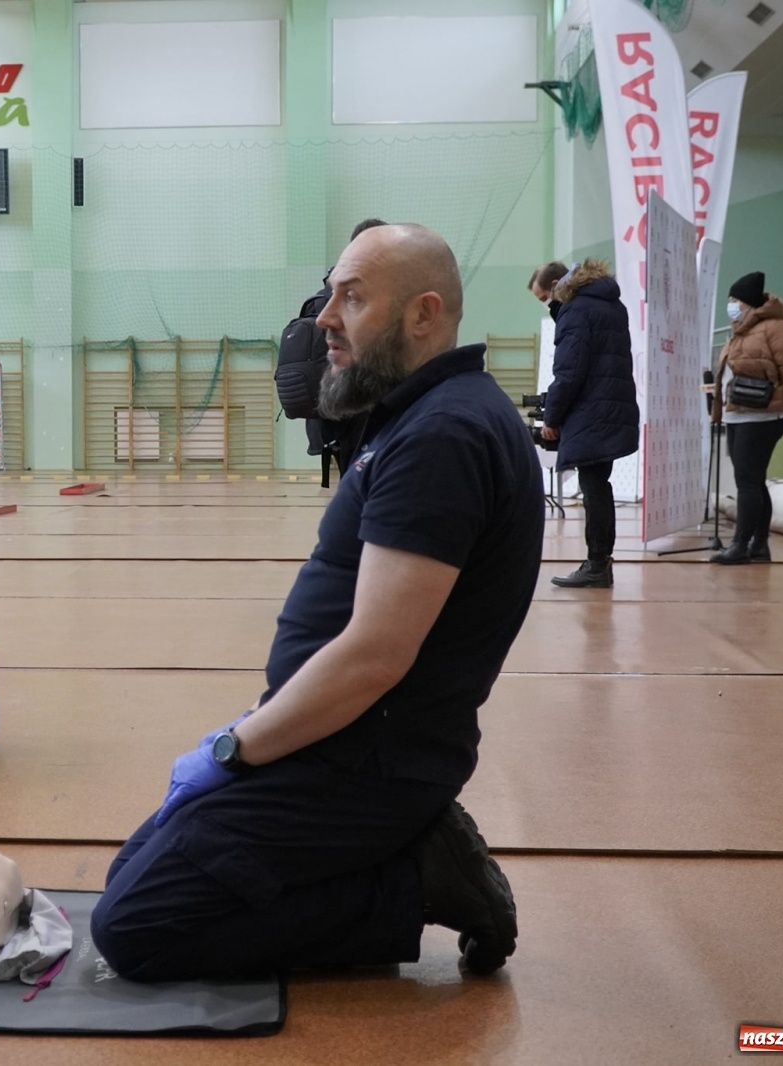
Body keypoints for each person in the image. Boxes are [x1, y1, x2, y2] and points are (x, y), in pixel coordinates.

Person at [89, 224, 543, 982]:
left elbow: (374, 657)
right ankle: (405, 850)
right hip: (339, 744)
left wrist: (239, 748)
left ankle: (416, 881)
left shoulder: (442, 437)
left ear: (423, 314)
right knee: (135, 871)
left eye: (352, 298)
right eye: (331, 294)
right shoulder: (421, 417)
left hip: (364, 764)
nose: (324, 318)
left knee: (138, 928)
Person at [536, 259, 640, 589]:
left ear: (556, 284)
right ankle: (599, 562)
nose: (548, 305)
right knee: (598, 485)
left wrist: (551, 418)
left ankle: (597, 564)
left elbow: (569, 372)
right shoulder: (610, 304)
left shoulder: (576, 311)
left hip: (591, 411)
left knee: (594, 488)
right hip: (609, 405)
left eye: (544, 298)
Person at [275, 219, 386, 486]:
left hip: (330, 418)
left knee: (356, 490)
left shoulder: (323, 294)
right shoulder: (361, 295)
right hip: (361, 412)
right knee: (370, 492)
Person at [711, 271, 783, 564]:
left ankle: (740, 545)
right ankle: (759, 544)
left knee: (747, 482)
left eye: (735, 300)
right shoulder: (741, 328)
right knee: (752, 480)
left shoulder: (774, 328)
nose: (731, 305)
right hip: (739, 414)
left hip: (763, 415)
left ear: (748, 302)